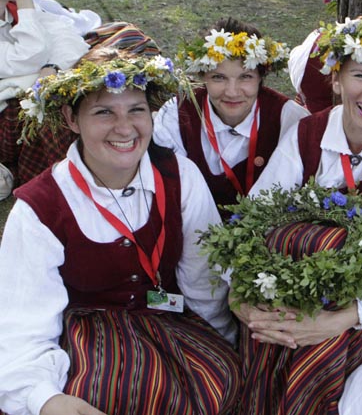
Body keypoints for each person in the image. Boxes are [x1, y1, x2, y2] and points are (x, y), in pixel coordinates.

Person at [0, 49, 240, 415]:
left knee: (222, 380)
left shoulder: (180, 176)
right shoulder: (40, 208)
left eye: (136, 110)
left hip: (170, 322)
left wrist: (221, 345)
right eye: (104, 112)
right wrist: (44, 398)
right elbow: (24, 323)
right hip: (86, 338)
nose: (125, 128)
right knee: (120, 393)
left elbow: (203, 281)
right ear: (71, 118)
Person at [232, 11, 362, 414]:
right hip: (291, 292)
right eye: (361, 75)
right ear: (336, 78)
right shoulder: (309, 133)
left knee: (319, 352)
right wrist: (240, 294)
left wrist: (340, 319)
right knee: (271, 331)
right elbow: (254, 216)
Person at [152, 17, 310, 215]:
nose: (232, 92)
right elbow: (167, 190)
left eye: (245, 77)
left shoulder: (291, 119)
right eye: (218, 77)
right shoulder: (176, 115)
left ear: (261, 78)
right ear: (202, 76)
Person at [0, 0, 94, 196]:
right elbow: (31, 54)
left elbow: (69, 38)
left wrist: (52, 67)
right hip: (6, 123)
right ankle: (70, 185)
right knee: (49, 103)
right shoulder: (21, 4)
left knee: (102, 67)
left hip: (18, 107)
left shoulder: (13, 8)